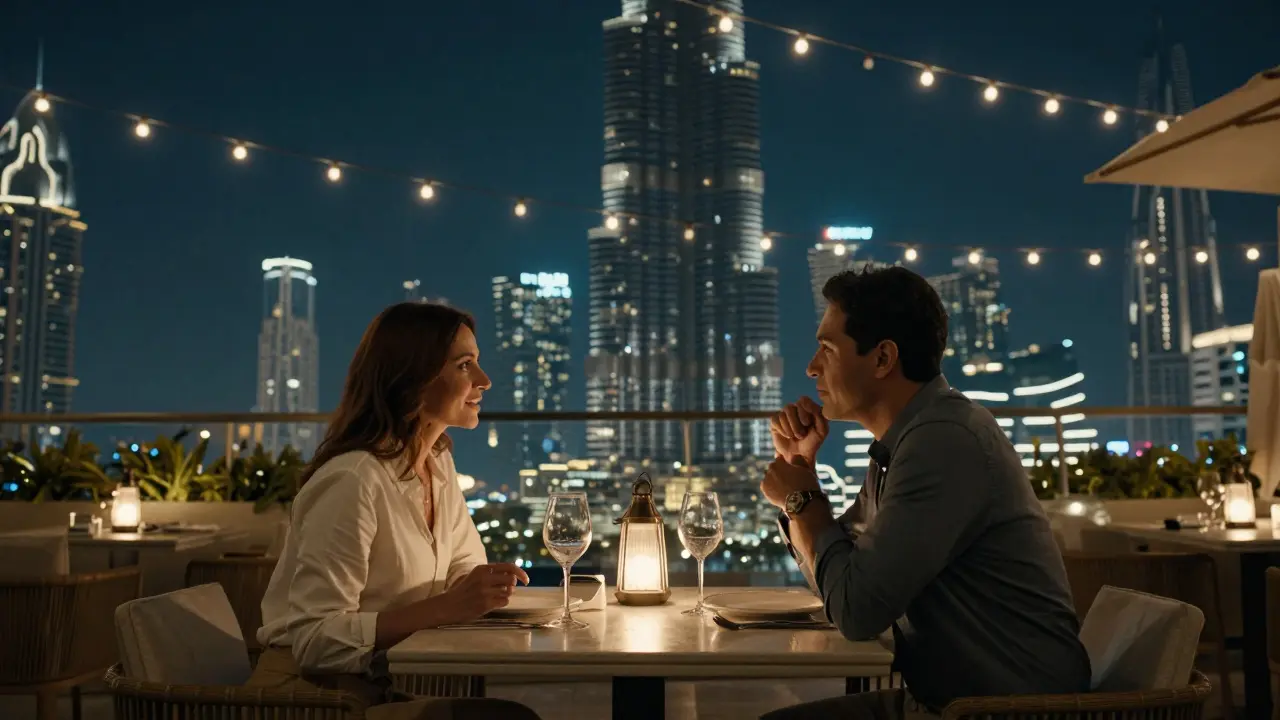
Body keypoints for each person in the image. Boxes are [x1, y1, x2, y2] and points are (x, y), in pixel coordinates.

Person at [759, 267, 1090, 719]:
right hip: (951, 700)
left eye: (827, 349)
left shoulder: (942, 442)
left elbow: (857, 611)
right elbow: (843, 580)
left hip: (1007, 709)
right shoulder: (907, 442)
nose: (811, 366)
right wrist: (800, 471)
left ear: (882, 359)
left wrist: (801, 500)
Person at [250, 302, 542, 720]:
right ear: (415, 377)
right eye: (465, 366)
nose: (484, 381)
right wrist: (448, 606)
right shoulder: (353, 480)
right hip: (309, 699)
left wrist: (478, 590)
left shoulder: (437, 464)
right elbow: (316, 640)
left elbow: (465, 566)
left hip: (382, 685)